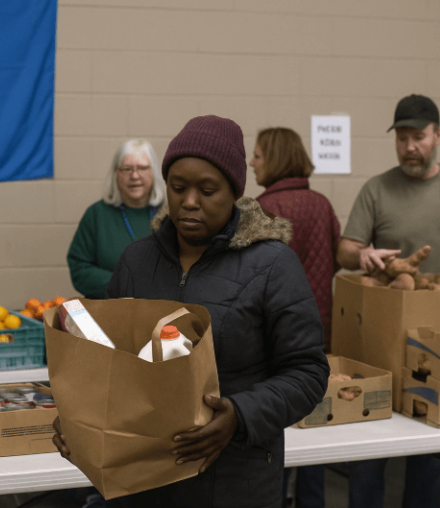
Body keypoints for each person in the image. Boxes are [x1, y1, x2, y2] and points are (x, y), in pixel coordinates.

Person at [53, 115, 330, 508]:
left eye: (208, 190)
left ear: (234, 191)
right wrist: (76, 415)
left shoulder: (272, 266)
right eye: (178, 187)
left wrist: (240, 414)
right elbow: (102, 360)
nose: (189, 202)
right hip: (142, 481)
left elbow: (308, 372)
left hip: (237, 478)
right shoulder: (137, 261)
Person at [336, 94, 440, 508]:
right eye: (401, 138)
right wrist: (363, 255)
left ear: (439, 136)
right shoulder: (376, 188)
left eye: (418, 137)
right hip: (385, 329)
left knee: (430, 449)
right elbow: (344, 250)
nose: (409, 146)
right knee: (369, 447)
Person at [251, 127, 340, 508]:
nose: (251, 161)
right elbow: (336, 256)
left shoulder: (263, 208)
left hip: (275, 334)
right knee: (314, 419)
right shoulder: (322, 203)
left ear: (274, 158)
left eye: (257, 154)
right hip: (319, 328)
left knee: (277, 420)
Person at [67, 139, 166, 299]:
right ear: (116, 174)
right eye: (126, 169)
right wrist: (124, 285)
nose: (134, 176)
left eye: (142, 168)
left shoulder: (170, 213)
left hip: (162, 312)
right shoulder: (96, 214)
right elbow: (79, 268)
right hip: (109, 312)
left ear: (153, 171)